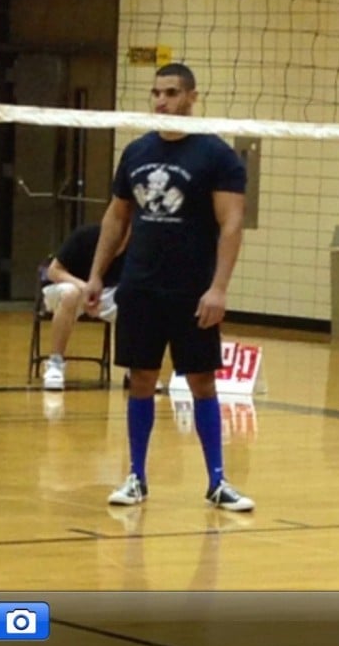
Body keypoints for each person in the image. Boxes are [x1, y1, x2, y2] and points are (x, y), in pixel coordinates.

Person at [85, 63, 255, 512]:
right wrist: (98, 274)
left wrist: (218, 288)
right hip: (140, 286)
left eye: (172, 92)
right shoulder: (137, 151)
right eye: (156, 92)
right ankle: (136, 477)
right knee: (140, 378)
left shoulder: (217, 156)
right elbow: (117, 216)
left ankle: (218, 481)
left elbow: (232, 223)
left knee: (201, 379)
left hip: (192, 289)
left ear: (192, 97)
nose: (162, 101)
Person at [42, 223, 127, 390]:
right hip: (67, 286)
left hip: (102, 295)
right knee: (70, 294)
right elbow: (53, 271)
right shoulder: (85, 235)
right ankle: (55, 362)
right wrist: (85, 288)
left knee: (136, 302)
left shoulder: (136, 245)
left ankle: (134, 367)